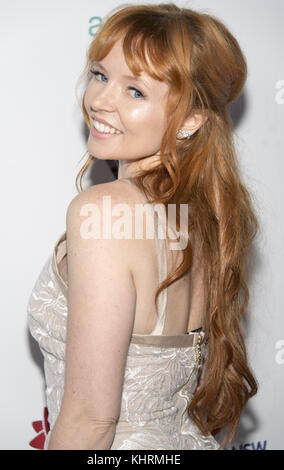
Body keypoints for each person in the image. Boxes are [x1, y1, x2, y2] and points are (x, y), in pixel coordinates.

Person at [27, 3, 259, 450]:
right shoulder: (207, 218)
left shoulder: (104, 211)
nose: (100, 100)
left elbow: (91, 422)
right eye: (100, 74)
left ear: (191, 120)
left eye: (135, 92)